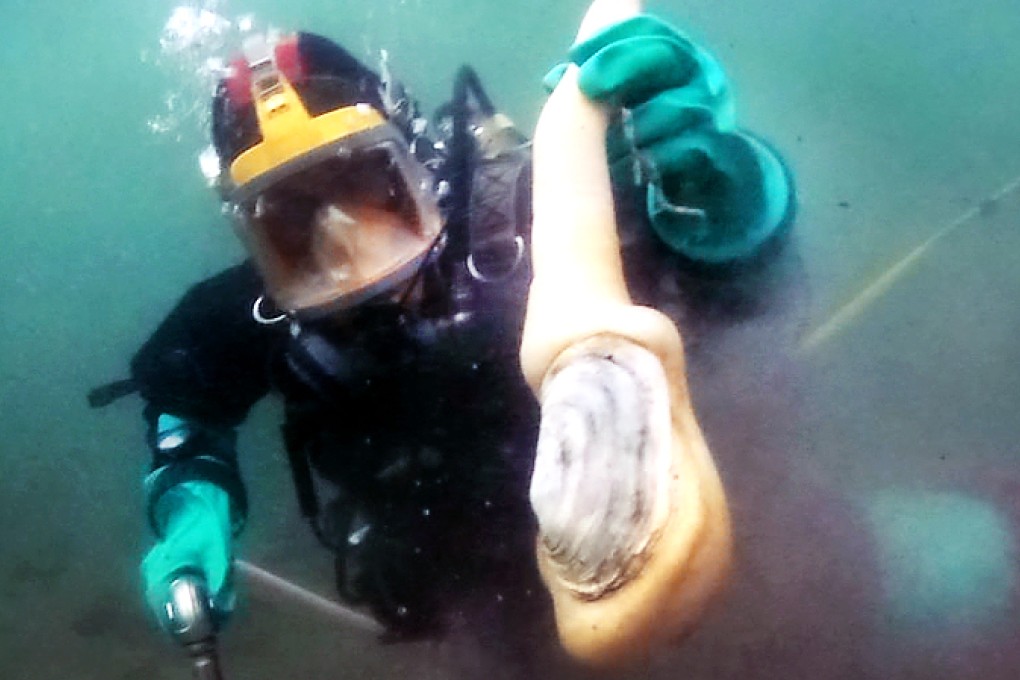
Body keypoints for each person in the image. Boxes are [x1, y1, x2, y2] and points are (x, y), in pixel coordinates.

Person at [93, 0, 795, 666]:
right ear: (250, 232)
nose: (341, 244)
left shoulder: (526, 213)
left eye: (363, 184)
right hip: (466, 587)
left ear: (411, 155)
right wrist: (191, 508)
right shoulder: (254, 315)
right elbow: (186, 402)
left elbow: (732, 285)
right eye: (291, 217)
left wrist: (723, 198)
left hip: (681, 511)